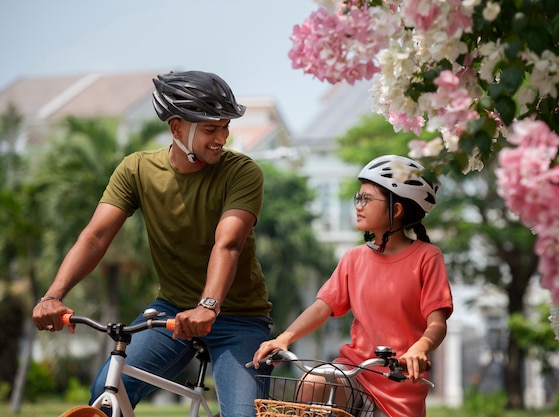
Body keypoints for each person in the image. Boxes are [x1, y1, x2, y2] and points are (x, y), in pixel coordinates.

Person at [32, 70, 273, 417]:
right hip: (172, 311)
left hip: (240, 319)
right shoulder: (137, 170)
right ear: (177, 129)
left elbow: (229, 243)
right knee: (107, 391)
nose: (222, 137)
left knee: (243, 415)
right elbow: (96, 236)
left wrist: (208, 305)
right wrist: (53, 296)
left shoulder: (242, 172)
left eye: (225, 127)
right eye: (210, 129)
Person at [252, 155, 453, 417]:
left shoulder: (427, 257)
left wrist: (420, 348)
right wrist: (284, 338)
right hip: (355, 372)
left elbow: (437, 323)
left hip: (399, 381)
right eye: (358, 198)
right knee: (315, 381)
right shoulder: (353, 258)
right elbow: (322, 307)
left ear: (396, 210)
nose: (358, 205)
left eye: (366, 199)